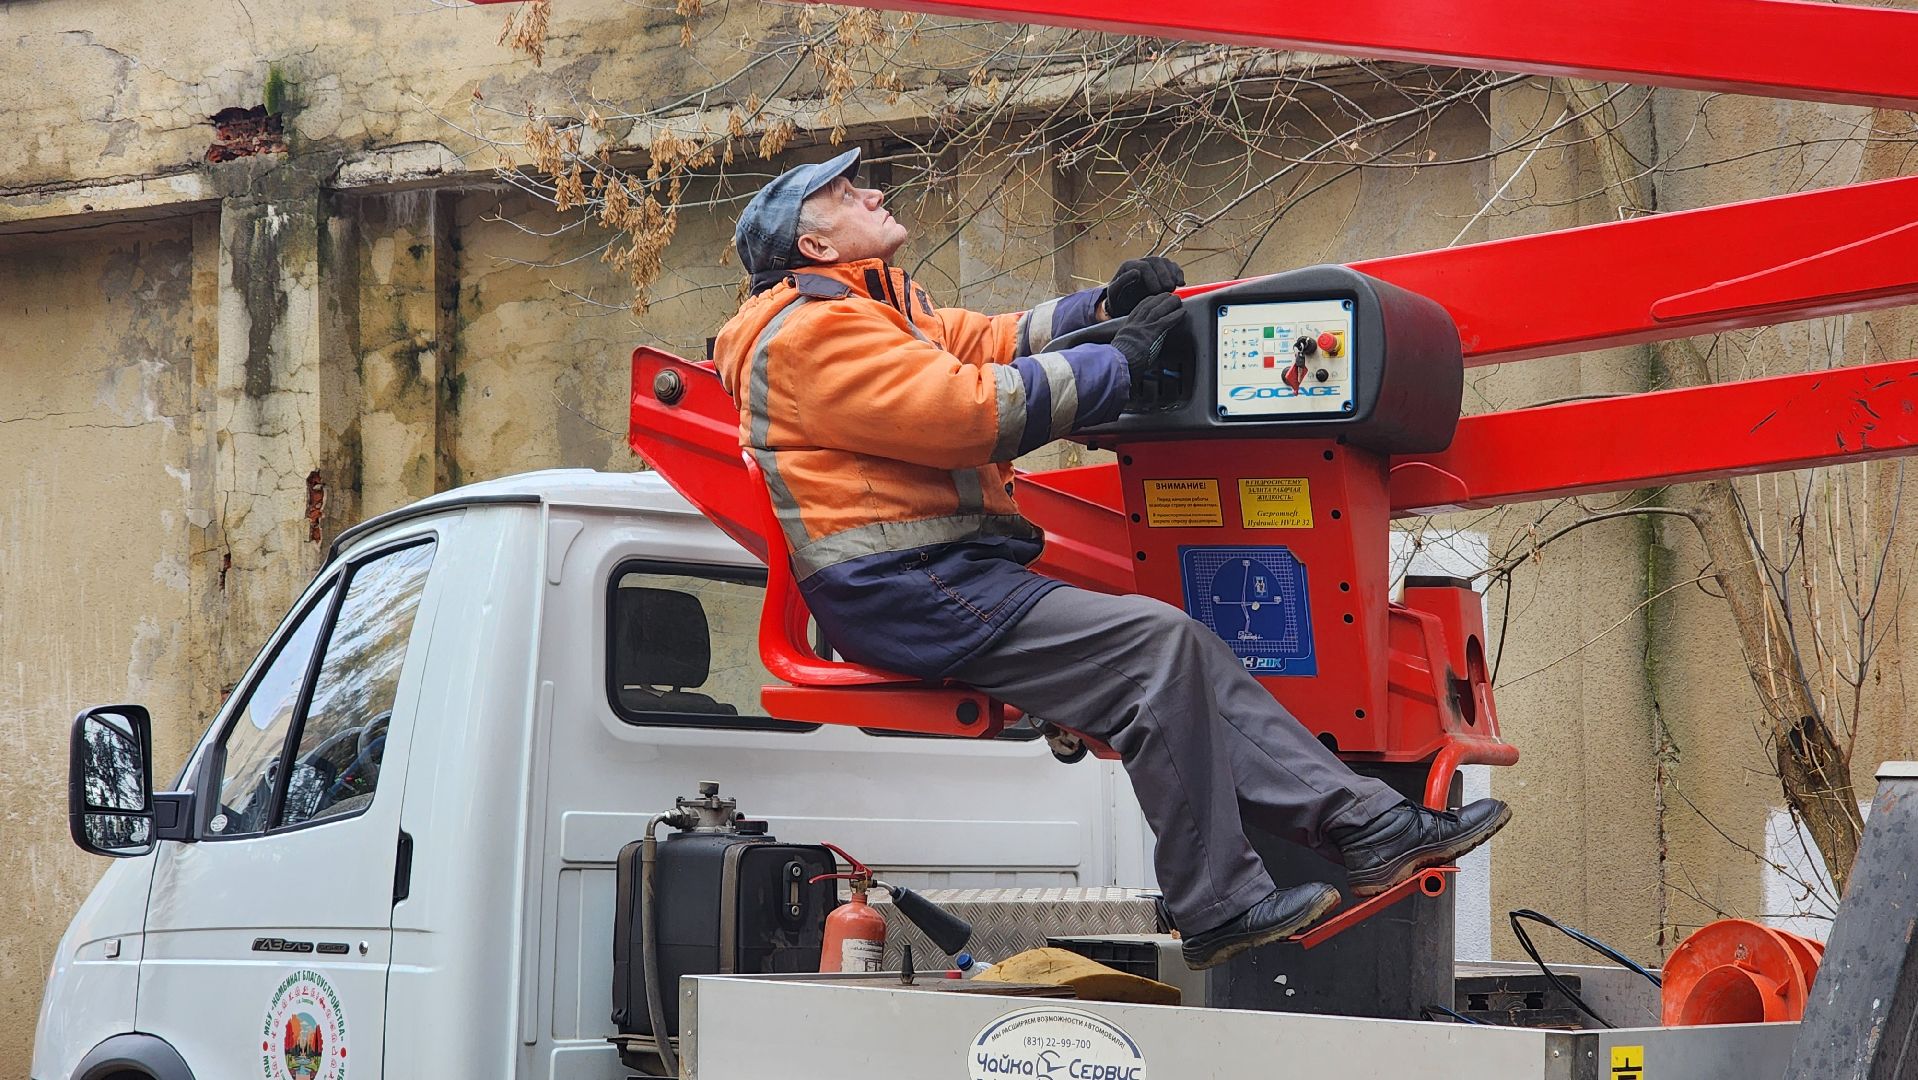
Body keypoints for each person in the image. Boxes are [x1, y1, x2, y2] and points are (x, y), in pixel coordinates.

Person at [713, 148, 1510, 969]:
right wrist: (1121, 362)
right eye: (848, 192)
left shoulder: (877, 309)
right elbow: (971, 412)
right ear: (812, 247)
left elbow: (992, 340)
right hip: (907, 587)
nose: (874, 191)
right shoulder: (811, 332)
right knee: (1154, 652)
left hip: (943, 574)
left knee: (1183, 647)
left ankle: (1365, 824)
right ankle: (1222, 903)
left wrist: (1105, 305)